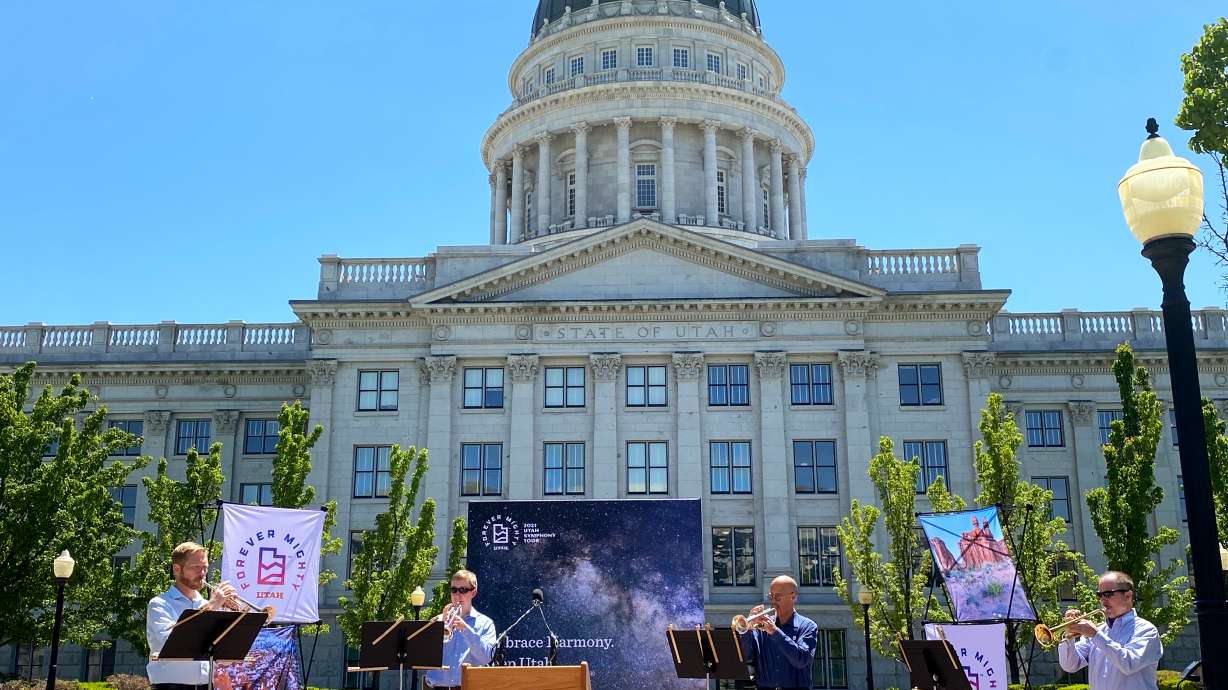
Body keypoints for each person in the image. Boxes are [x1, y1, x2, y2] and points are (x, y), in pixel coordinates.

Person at [146, 542, 241, 690]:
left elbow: (226, 658)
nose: (202, 573)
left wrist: (234, 617)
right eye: (196, 567)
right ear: (177, 569)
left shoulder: (208, 605)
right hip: (170, 686)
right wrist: (213, 606)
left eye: (205, 568)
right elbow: (172, 644)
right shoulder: (159, 604)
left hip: (206, 685)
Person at [1057, 570, 1162, 690]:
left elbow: (1129, 664)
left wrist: (1096, 635)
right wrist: (1068, 635)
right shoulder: (1098, 631)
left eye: (1108, 594)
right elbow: (1070, 666)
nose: (1102, 600)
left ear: (1128, 596)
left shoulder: (1146, 630)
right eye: (1099, 595)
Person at [737, 575, 817, 690]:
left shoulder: (808, 626)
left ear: (793, 596)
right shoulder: (762, 626)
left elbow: (801, 660)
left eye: (778, 597)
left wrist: (775, 632)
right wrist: (747, 631)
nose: (773, 602)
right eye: (771, 597)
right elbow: (746, 656)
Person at [423, 569, 498, 690]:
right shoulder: (437, 620)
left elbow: (486, 657)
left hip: (468, 687)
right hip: (437, 687)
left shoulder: (485, 623)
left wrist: (466, 629)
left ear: (473, 592)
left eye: (462, 590)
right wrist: (440, 626)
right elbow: (423, 656)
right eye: (454, 590)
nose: (457, 595)